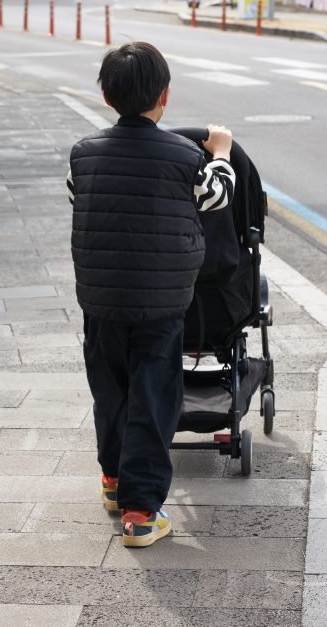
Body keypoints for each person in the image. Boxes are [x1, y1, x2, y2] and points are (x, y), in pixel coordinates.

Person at [66, 42, 236, 548]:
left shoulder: (83, 154)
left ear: (104, 95)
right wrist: (222, 151)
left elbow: (78, 197)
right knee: (153, 399)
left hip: (100, 302)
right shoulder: (185, 157)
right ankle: (141, 513)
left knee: (110, 392)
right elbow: (218, 196)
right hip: (161, 306)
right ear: (164, 97)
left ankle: (115, 482)